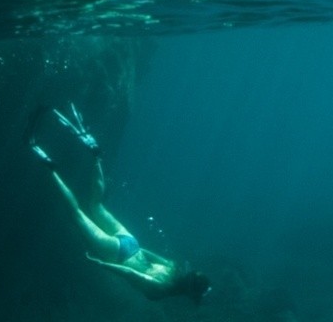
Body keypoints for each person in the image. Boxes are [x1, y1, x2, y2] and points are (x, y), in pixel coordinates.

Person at [29, 104, 211, 305]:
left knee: (95, 205)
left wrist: (135, 249)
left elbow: (148, 254)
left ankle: (95, 155)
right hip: (117, 255)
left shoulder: (174, 266)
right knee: (76, 213)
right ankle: (47, 164)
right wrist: (104, 265)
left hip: (130, 242)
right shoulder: (162, 289)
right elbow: (132, 275)